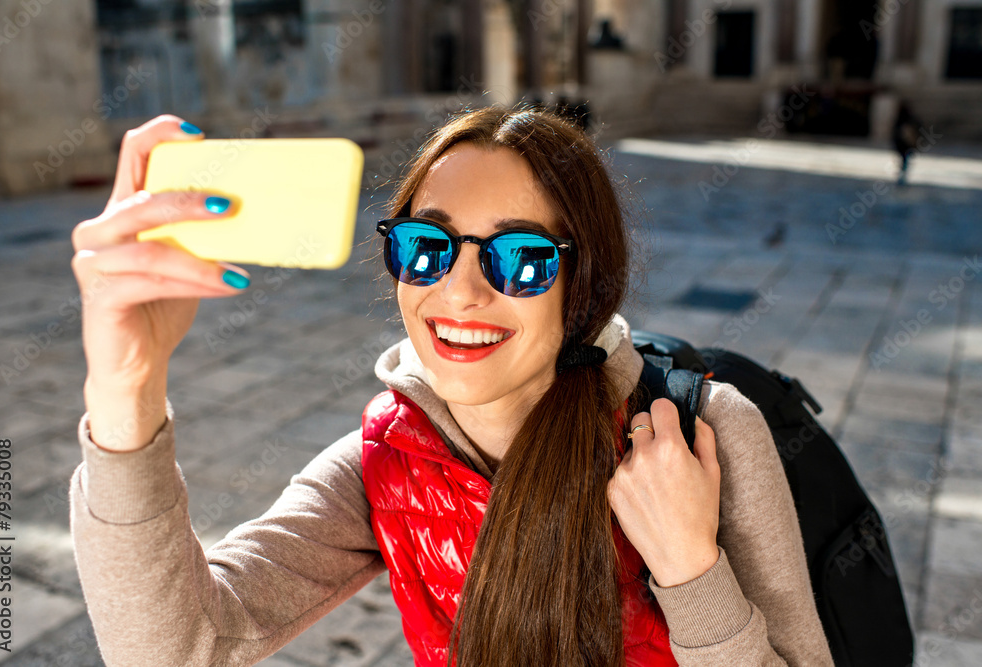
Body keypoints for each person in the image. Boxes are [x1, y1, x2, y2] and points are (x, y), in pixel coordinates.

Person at [69, 106, 833, 666]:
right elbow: (173, 646)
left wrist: (691, 571)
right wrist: (124, 384)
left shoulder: (702, 438)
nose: (460, 293)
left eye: (520, 258)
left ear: (584, 285)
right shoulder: (384, 462)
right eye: (427, 246)